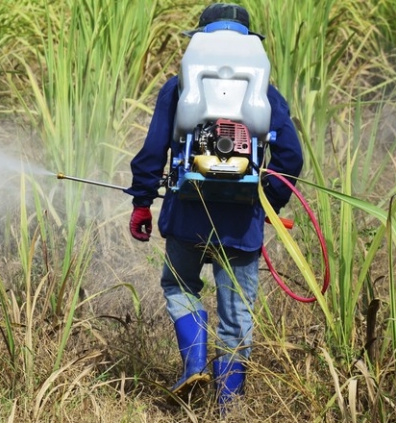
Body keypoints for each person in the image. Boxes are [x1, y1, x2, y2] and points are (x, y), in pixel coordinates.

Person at [125, 2, 304, 411]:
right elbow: (290, 159)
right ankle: (228, 407)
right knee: (237, 315)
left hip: (187, 219)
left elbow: (152, 152)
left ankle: (192, 369)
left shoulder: (179, 88)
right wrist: (265, 203)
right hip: (242, 228)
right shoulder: (266, 94)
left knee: (179, 286)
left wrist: (142, 204)